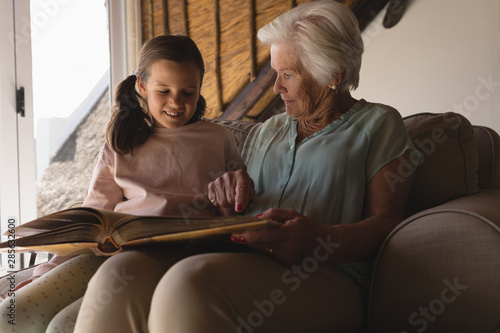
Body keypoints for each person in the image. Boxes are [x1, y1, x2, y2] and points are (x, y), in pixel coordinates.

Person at [73, 1, 420, 332]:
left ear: (332, 75)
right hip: (248, 259)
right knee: (118, 277)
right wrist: (229, 197)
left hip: (329, 275)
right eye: (275, 73)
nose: (277, 86)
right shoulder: (269, 130)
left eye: (287, 74)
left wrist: (319, 239)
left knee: (187, 282)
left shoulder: (378, 124)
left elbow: (388, 224)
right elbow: (239, 207)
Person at [0, 34, 244, 333]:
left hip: (172, 261)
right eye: (163, 91)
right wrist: (45, 270)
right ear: (141, 85)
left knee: (62, 327)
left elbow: (235, 210)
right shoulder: (119, 145)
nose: (176, 103)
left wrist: (228, 208)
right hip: (107, 255)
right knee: (12, 313)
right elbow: (91, 222)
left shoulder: (219, 140)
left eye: (188, 92)